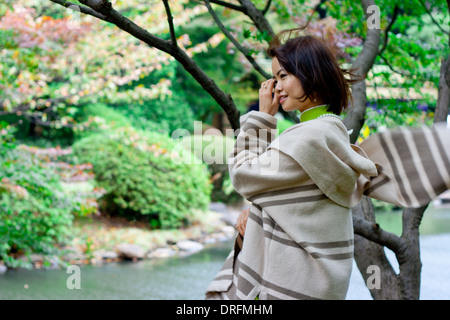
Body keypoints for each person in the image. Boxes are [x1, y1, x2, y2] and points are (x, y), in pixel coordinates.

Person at [205, 30, 450, 300]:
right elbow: (293, 200)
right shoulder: (332, 135)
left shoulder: (306, 138)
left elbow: (243, 175)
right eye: (275, 78)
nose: (276, 87)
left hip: (288, 284)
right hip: (317, 285)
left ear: (311, 74)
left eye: (283, 76)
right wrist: (255, 208)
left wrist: (262, 119)